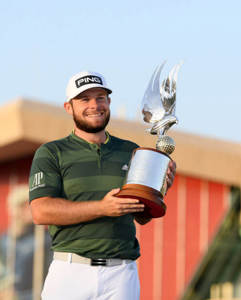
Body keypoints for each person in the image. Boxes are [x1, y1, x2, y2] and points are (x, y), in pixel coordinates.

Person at [28, 71, 176, 300]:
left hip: (121, 274)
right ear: (69, 107)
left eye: (100, 97)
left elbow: (141, 216)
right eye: (84, 99)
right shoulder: (51, 153)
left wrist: (160, 188)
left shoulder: (131, 151)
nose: (94, 105)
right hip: (70, 271)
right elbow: (40, 211)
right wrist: (102, 208)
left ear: (109, 102)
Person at [0, 185, 52, 300]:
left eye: (31, 205)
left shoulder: (45, 240)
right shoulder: (3, 239)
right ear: (12, 209)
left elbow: (51, 282)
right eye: (23, 205)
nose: (29, 210)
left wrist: (18, 296)